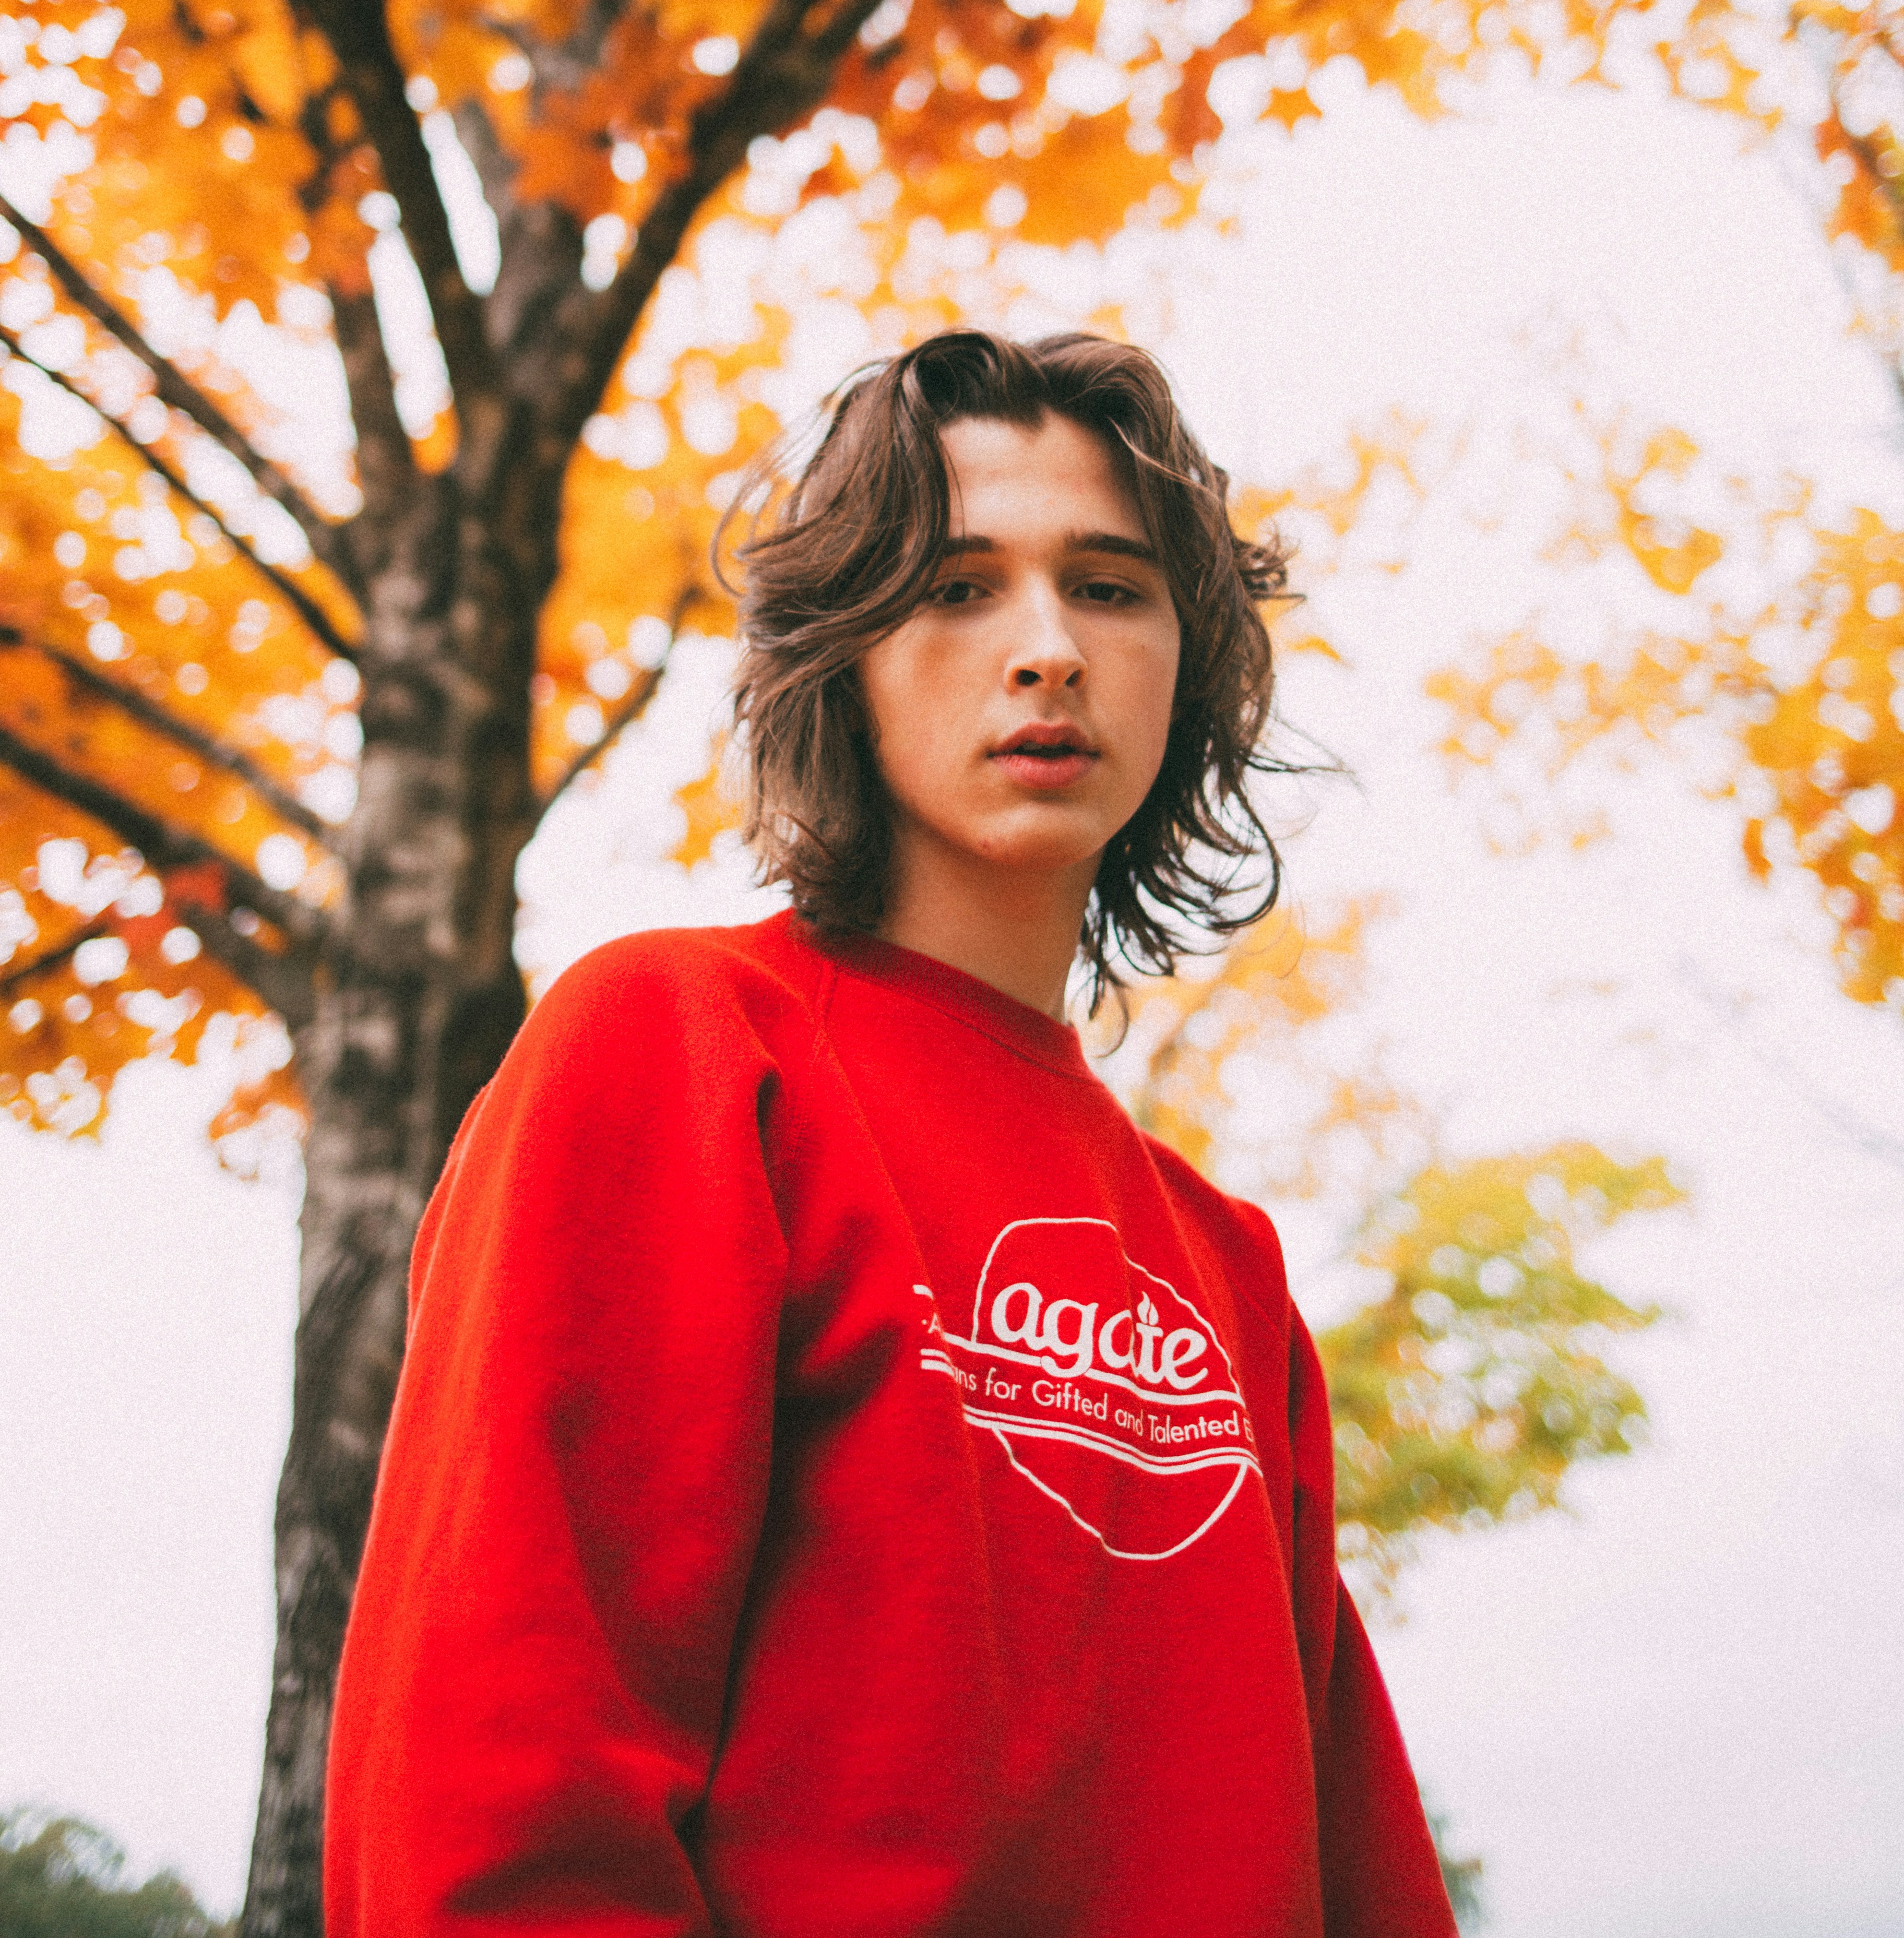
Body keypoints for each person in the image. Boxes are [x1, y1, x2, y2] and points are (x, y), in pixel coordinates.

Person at [325, 329, 1457, 1937]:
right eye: (958, 587)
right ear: (843, 656)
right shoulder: (681, 1048)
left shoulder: (1230, 1270)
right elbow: (503, 1782)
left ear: (1185, 663)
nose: (1048, 648)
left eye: (1110, 588)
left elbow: (1357, 1871)